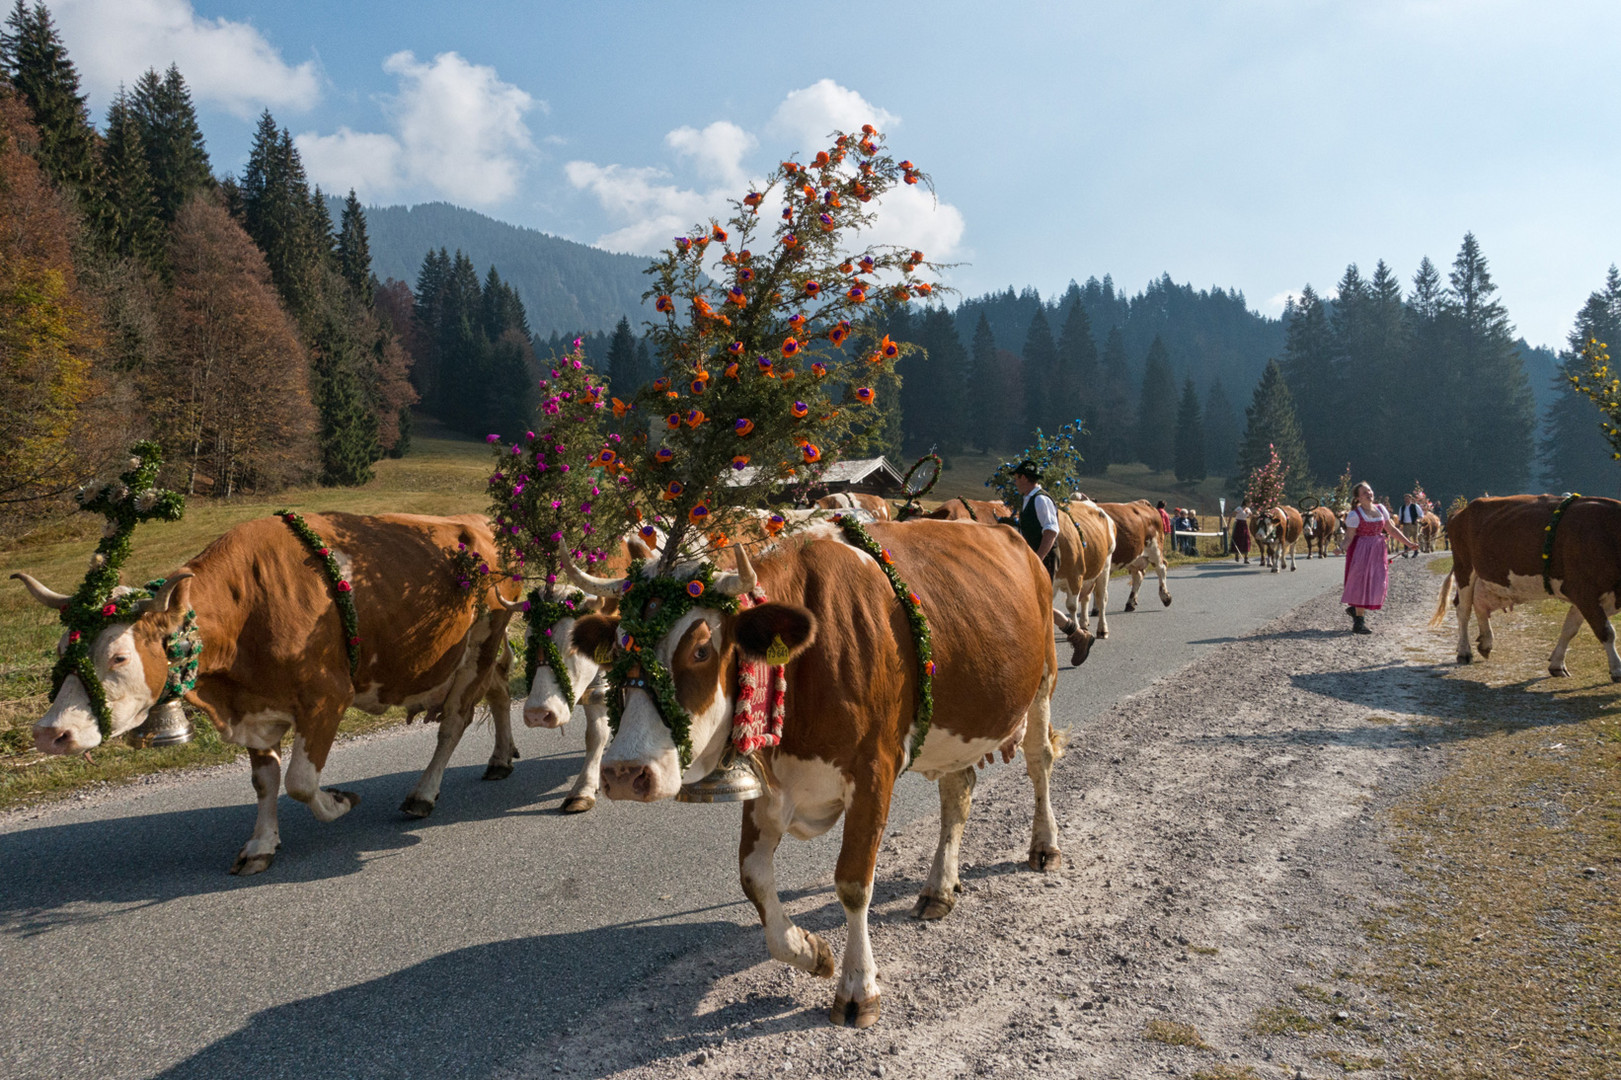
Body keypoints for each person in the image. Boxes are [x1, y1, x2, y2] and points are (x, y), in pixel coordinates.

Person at [1343, 482, 1419, 633]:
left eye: (1370, 490)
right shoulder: (1354, 515)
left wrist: (1409, 543)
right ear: (1358, 497)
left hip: (1378, 550)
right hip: (1361, 551)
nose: (1369, 494)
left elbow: (1391, 529)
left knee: (1376, 581)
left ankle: (1356, 610)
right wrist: (1340, 548)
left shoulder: (1380, 509)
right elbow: (1349, 537)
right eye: (1364, 492)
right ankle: (1359, 622)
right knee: (1361, 582)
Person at [1011, 461, 1060, 580]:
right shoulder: (1029, 498)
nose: (1015, 483)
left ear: (1023, 477)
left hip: (1044, 559)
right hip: (1034, 557)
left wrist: (1038, 559)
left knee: (1042, 597)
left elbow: (1050, 532)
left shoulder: (1040, 499)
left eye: (1016, 478)